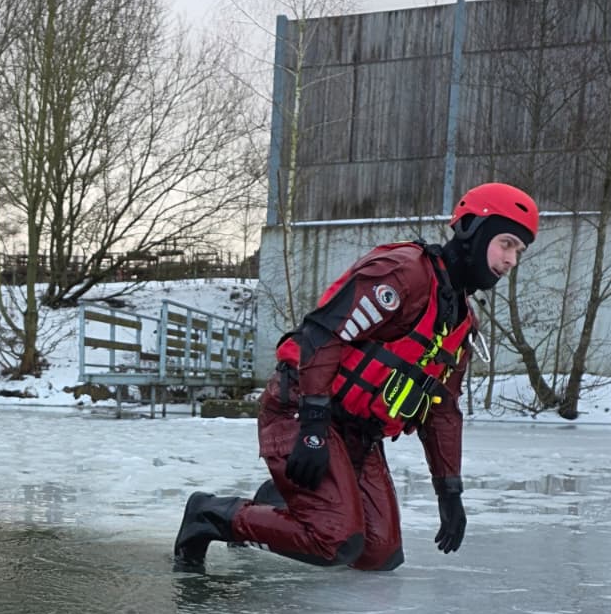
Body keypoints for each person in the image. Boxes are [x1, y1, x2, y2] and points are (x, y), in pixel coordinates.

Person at [172, 182, 539, 573]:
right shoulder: (404, 272)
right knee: (334, 540)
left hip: (357, 434)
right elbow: (323, 335)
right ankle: (209, 515)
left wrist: (449, 491)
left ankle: (281, 501)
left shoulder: (461, 322)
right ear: (471, 229)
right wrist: (312, 427)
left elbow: (442, 411)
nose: (512, 258)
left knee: (379, 553)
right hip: (302, 406)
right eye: (506, 243)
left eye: (519, 250)